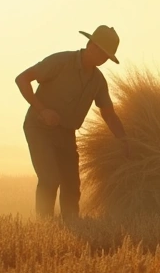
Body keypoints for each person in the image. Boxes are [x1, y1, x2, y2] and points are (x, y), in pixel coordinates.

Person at [15, 25, 129, 220]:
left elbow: (109, 114)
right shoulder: (60, 61)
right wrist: (43, 110)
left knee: (72, 185)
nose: (103, 59)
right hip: (39, 128)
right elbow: (22, 79)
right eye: (102, 53)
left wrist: (124, 140)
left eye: (107, 57)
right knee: (50, 179)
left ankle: (71, 226)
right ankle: (44, 226)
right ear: (91, 45)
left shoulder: (98, 81)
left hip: (66, 134)